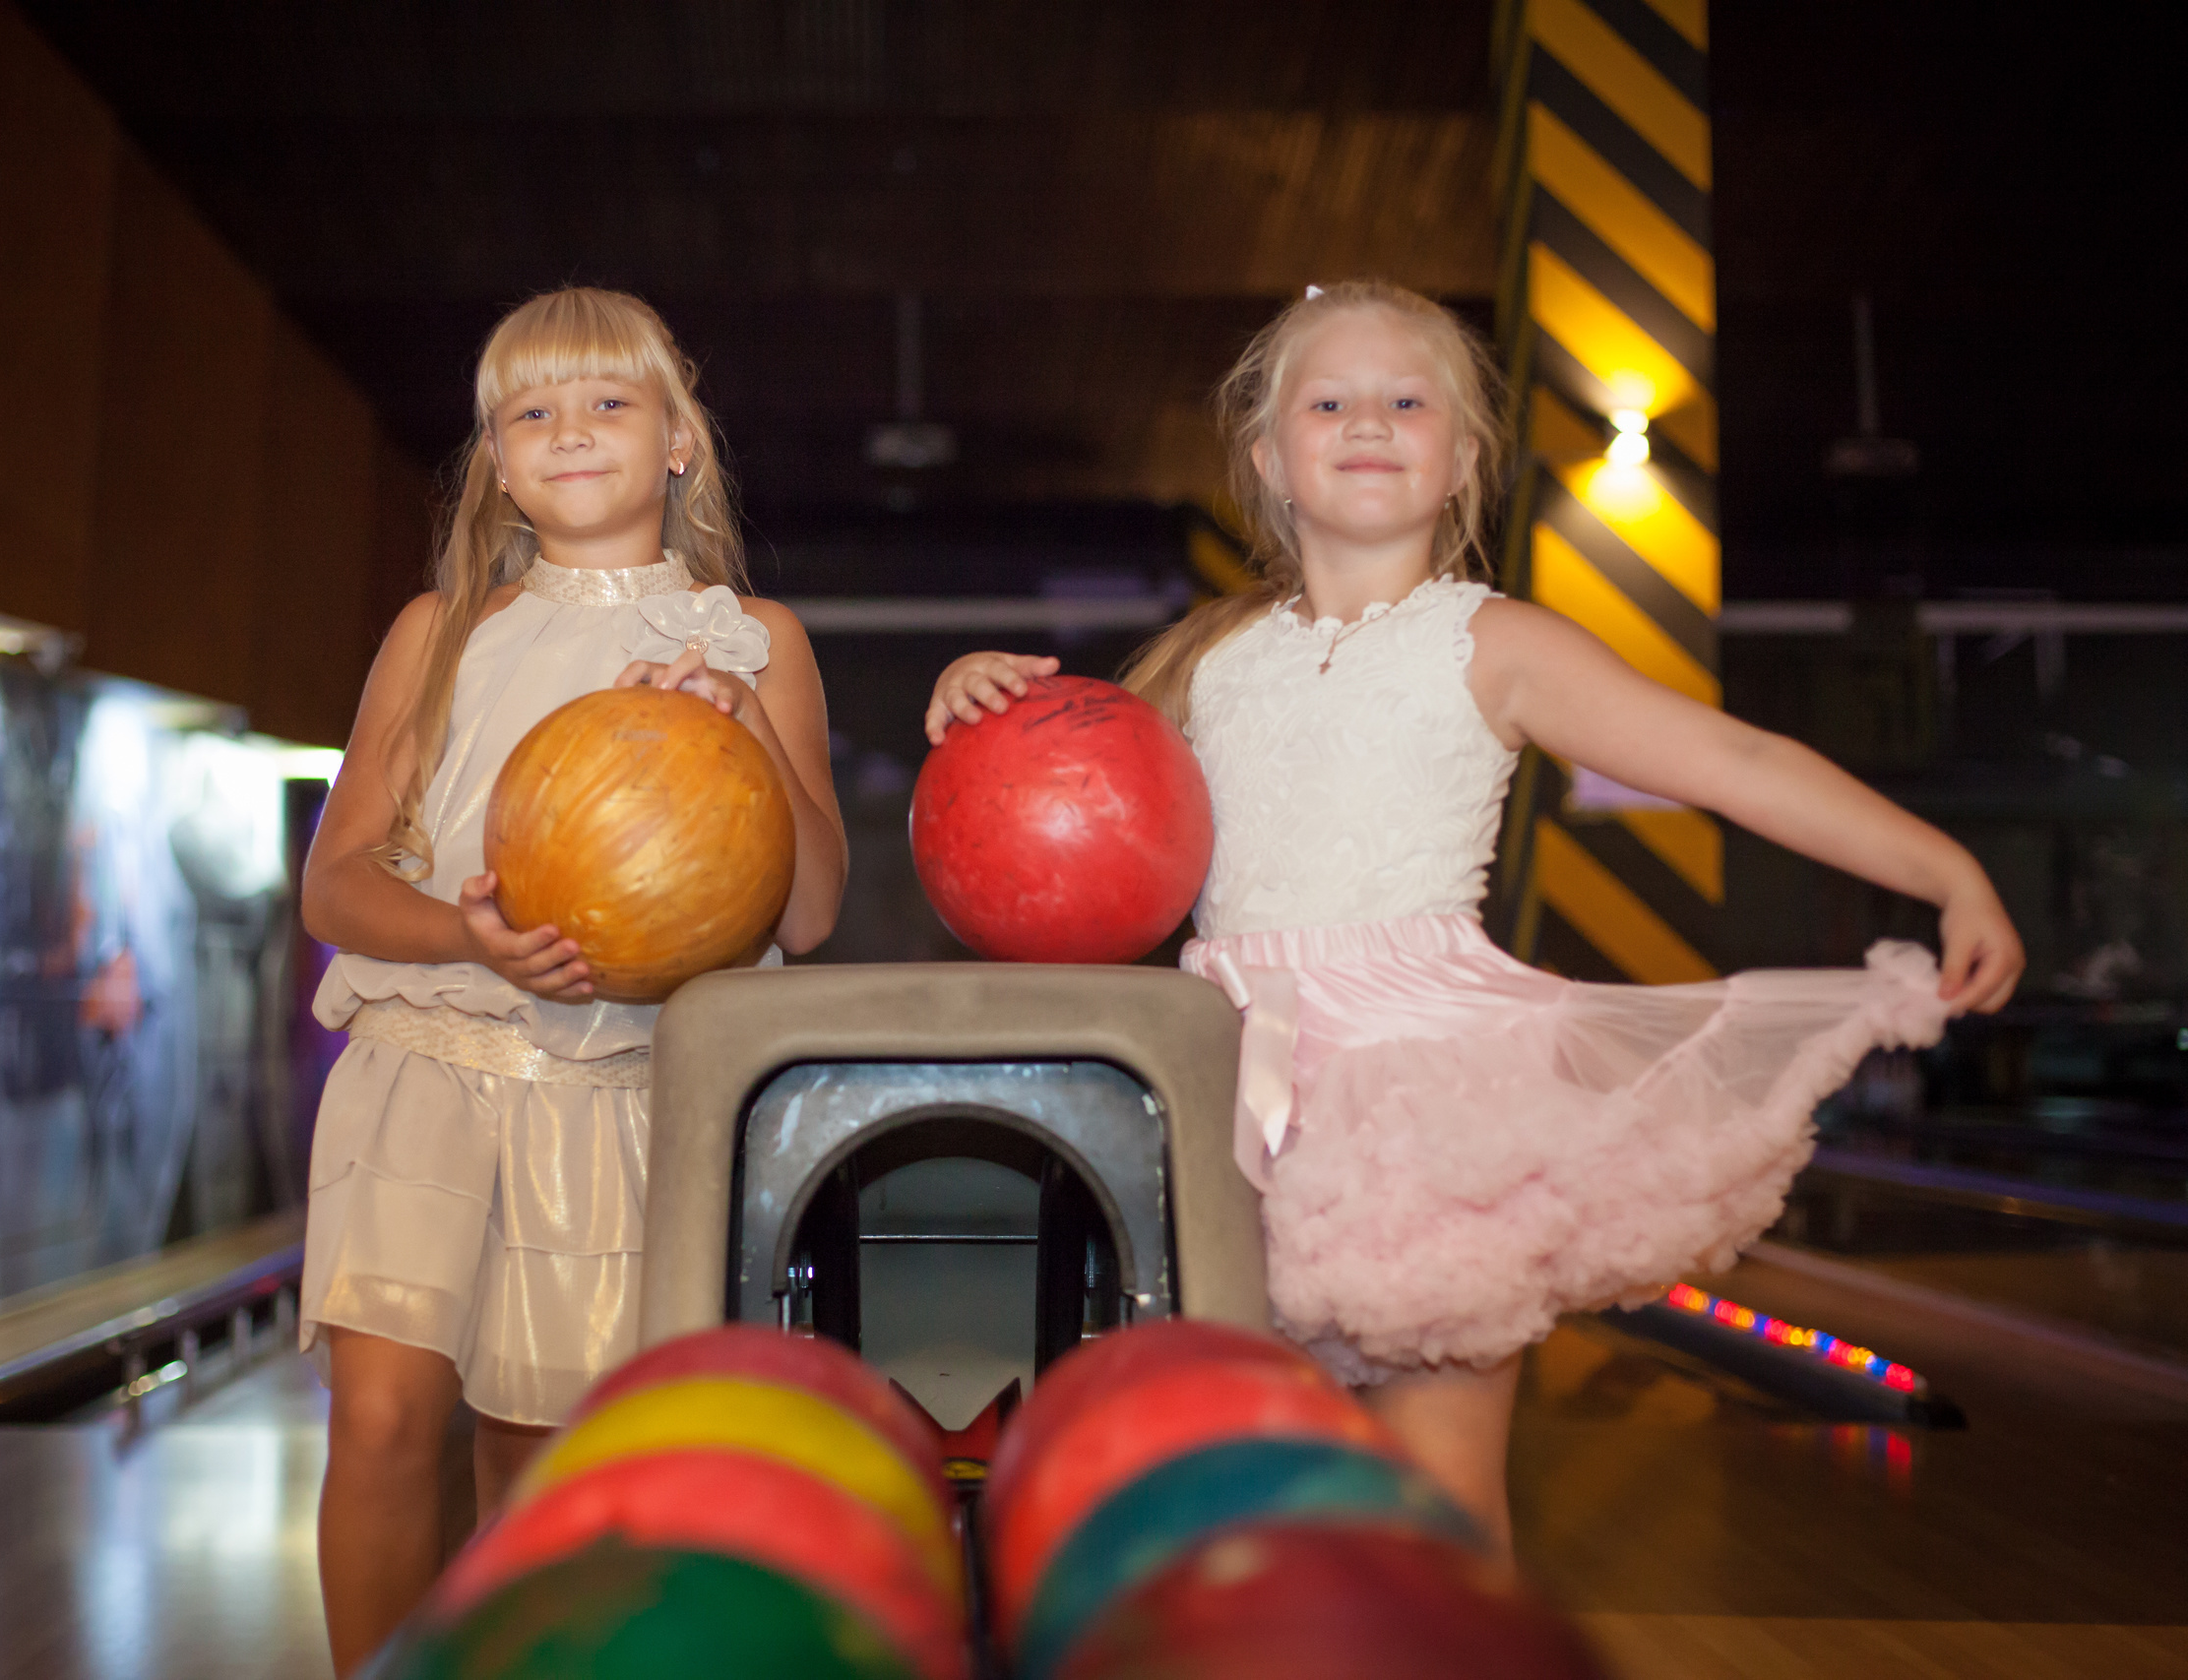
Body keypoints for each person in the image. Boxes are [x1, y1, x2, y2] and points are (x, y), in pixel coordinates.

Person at [924, 280, 2021, 1558]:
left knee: (1440, 1501)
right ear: (1272, 458)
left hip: (1425, 1094)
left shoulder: (1494, 644)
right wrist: (975, 696)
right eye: (1329, 402)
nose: (1369, 423)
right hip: (1226, 1084)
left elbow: (1740, 763)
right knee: (1255, 1492)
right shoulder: (1206, 659)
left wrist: (1945, 868)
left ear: (1463, 459)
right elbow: (1061, 809)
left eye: (1407, 400)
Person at [298, 286, 845, 1672]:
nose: (570, 430)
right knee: (379, 1423)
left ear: (679, 442)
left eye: (609, 401)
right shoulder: (442, 632)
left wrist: (744, 738)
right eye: (529, 411)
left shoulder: (754, 640)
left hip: (620, 1091)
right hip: (429, 1058)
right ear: (494, 460)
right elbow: (337, 885)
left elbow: (819, 904)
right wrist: (466, 938)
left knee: (536, 1461)